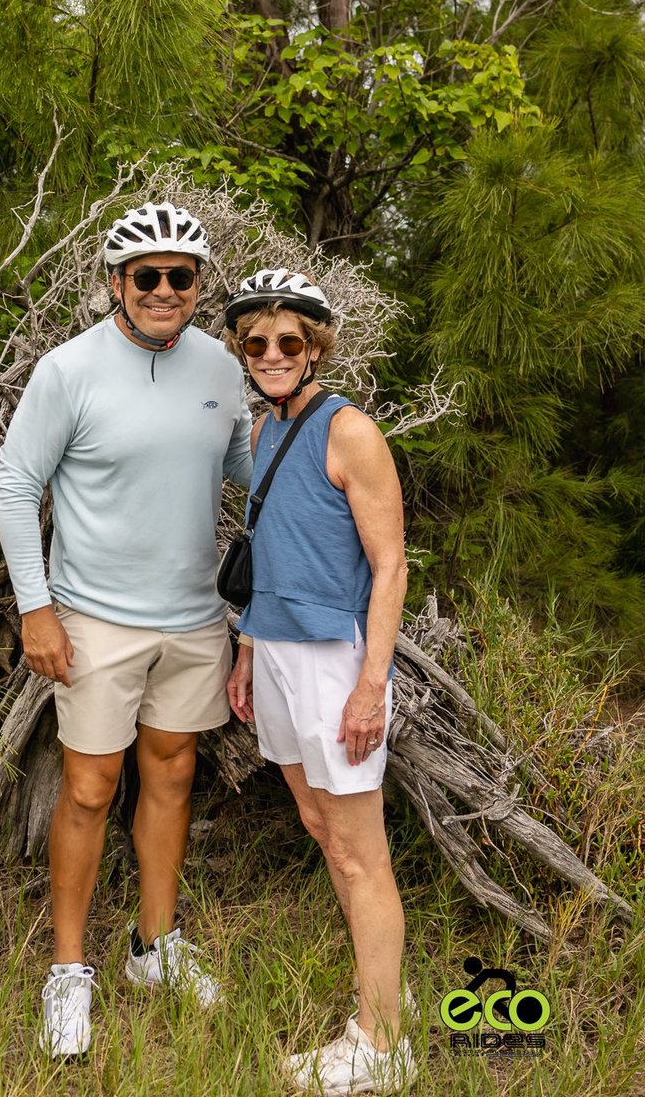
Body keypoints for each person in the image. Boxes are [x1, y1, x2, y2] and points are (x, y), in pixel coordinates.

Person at [0, 201, 253, 1059]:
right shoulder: (68, 370)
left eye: (182, 276)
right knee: (92, 789)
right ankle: (69, 972)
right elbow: (12, 486)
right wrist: (36, 607)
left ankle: (153, 946)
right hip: (94, 621)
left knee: (172, 776)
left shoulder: (223, 365)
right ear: (115, 283)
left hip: (192, 621)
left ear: (198, 285)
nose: (165, 290)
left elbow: (251, 478)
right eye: (147, 276)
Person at [223, 269, 416, 1095]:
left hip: (334, 665)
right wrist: (244, 653)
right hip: (272, 656)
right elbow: (271, 552)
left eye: (288, 342)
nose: (271, 354)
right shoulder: (265, 431)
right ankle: (377, 1012)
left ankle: (383, 1046)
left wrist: (371, 686)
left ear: (316, 348)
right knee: (319, 825)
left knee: (360, 852)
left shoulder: (351, 432)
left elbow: (391, 567)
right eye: (256, 342)